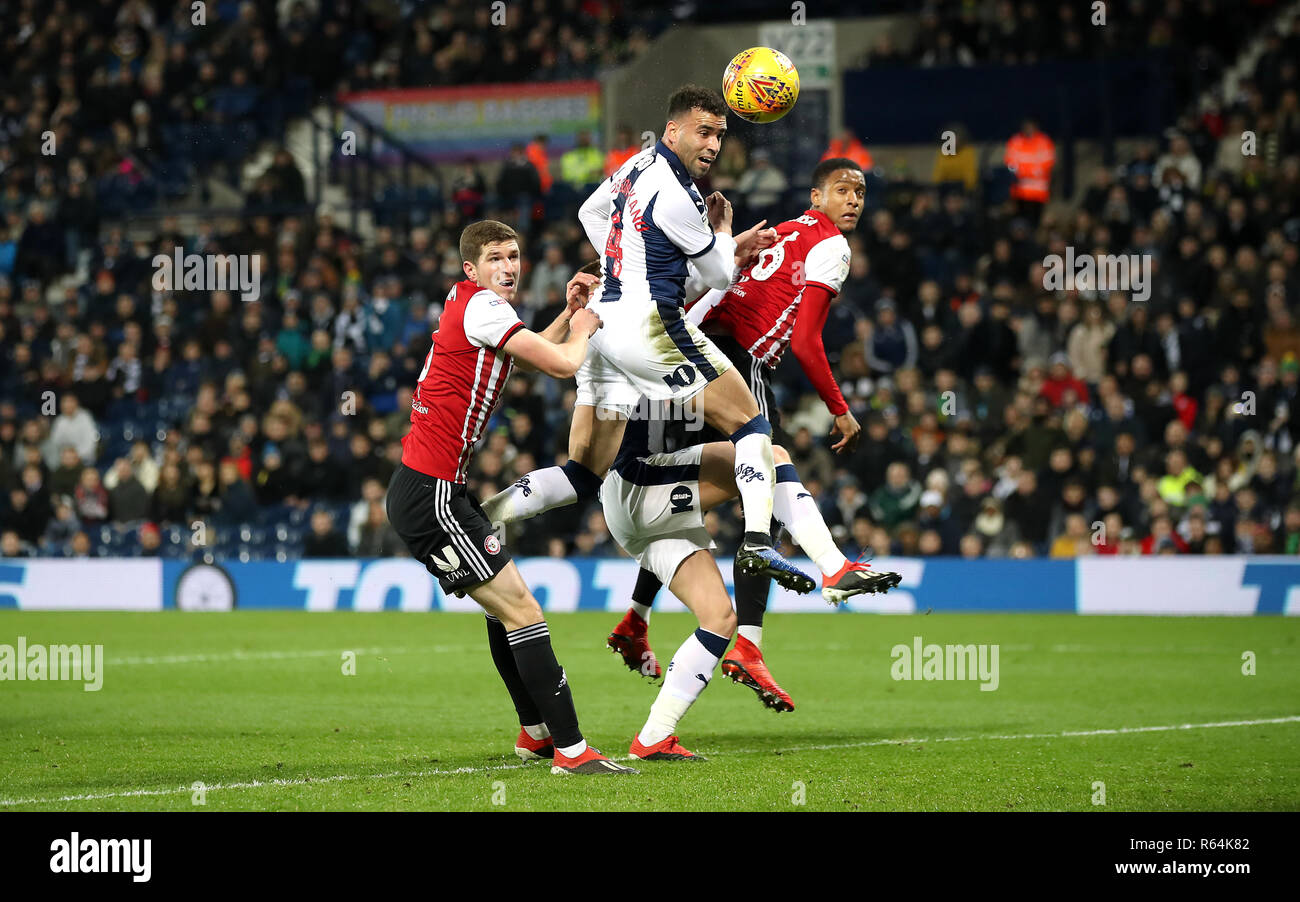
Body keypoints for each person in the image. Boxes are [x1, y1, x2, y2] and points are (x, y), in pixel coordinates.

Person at [481, 85, 809, 594]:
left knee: (584, 473)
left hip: (605, 324)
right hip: (650, 330)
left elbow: (592, 215)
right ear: (674, 130)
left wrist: (625, 263)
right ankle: (758, 540)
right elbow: (720, 275)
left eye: (720, 135)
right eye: (704, 132)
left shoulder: (637, 166)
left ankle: (485, 516)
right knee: (751, 424)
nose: (713, 145)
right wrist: (723, 231)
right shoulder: (681, 196)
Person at [609, 157, 880, 708]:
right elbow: (805, 341)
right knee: (768, 473)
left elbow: (715, 281)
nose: (853, 199)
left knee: (698, 493)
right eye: (842, 190)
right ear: (816, 195)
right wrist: (841, 408)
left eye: (860, 192)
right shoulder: (833, 246)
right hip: (738, 361)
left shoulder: (782, 230)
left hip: (684, 352)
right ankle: (763, 630)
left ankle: (637, 619)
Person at [385, 219, 634, 776]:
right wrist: (589, 324)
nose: (510, 267)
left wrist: (568, 317)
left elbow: (526, 353)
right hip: (433, 496)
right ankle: (571, 750)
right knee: (523, 610)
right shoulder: (486, 309)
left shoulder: (468, 303)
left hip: (435, 489)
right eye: (496, 258)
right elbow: (564, 365)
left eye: (515, 256)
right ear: (472, 268)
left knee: (506, 612)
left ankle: (537, 733)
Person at [602, 419, 900, 758]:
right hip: (642, 485)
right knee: (771, 454)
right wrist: (838, 408)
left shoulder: (621, 390)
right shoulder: (702, 373)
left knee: (719, 619)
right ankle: (831, 566)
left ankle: (654, 736)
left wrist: (638, 613)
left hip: (638, 509)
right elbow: (742, 428)